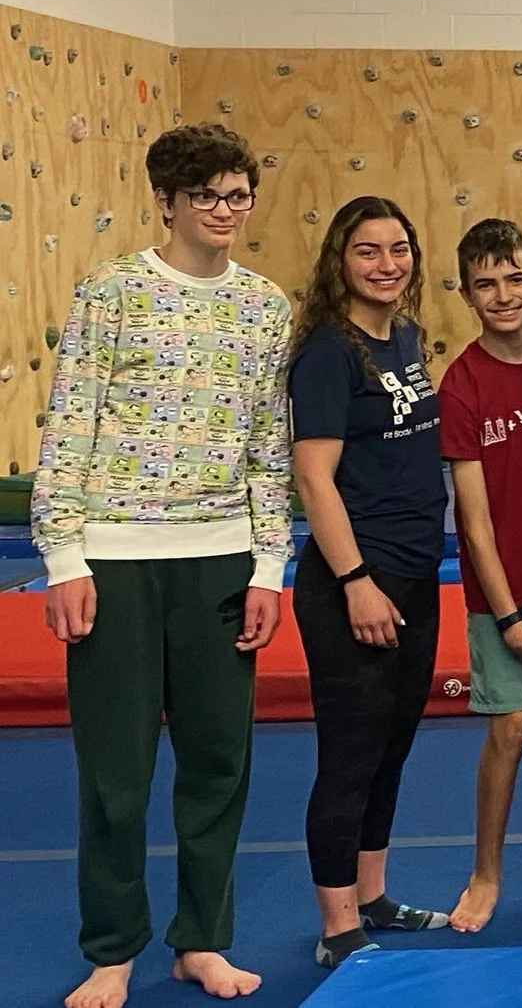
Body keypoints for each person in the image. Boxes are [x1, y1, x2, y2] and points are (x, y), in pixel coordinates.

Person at [39, 125, 289, 1008]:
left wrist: (268, 568)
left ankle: (202, 938)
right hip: (114, 555)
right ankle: (111, 948)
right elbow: (68, 427)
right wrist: (65, 554)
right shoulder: (111, 292)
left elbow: (269, 444)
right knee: (115, 768)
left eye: (239, 195)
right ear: (169, 203)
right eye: (209, 196)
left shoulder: (265, 306)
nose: (226, 212)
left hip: (220, 556)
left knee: (220, 761)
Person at [286, 196, 452, 967]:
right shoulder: (329, 351)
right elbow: (314, 478)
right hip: (357, 577)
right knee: (350, 752)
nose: (387, 264)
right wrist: (354, 579)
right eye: (367, 251)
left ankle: (375, 894)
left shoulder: (405, 338)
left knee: (392, 745)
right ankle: (337, 924)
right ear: (339, 261)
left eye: (398, 248)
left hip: (416, 574)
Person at [438, 221, 522, 934]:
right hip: (500, 585)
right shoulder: (461, 383)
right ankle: (485, 869)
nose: (503, 295)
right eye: (486, 284)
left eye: (515, 279)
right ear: (467, 295)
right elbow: (476, 519)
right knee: (513, 724)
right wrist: (505, 618)